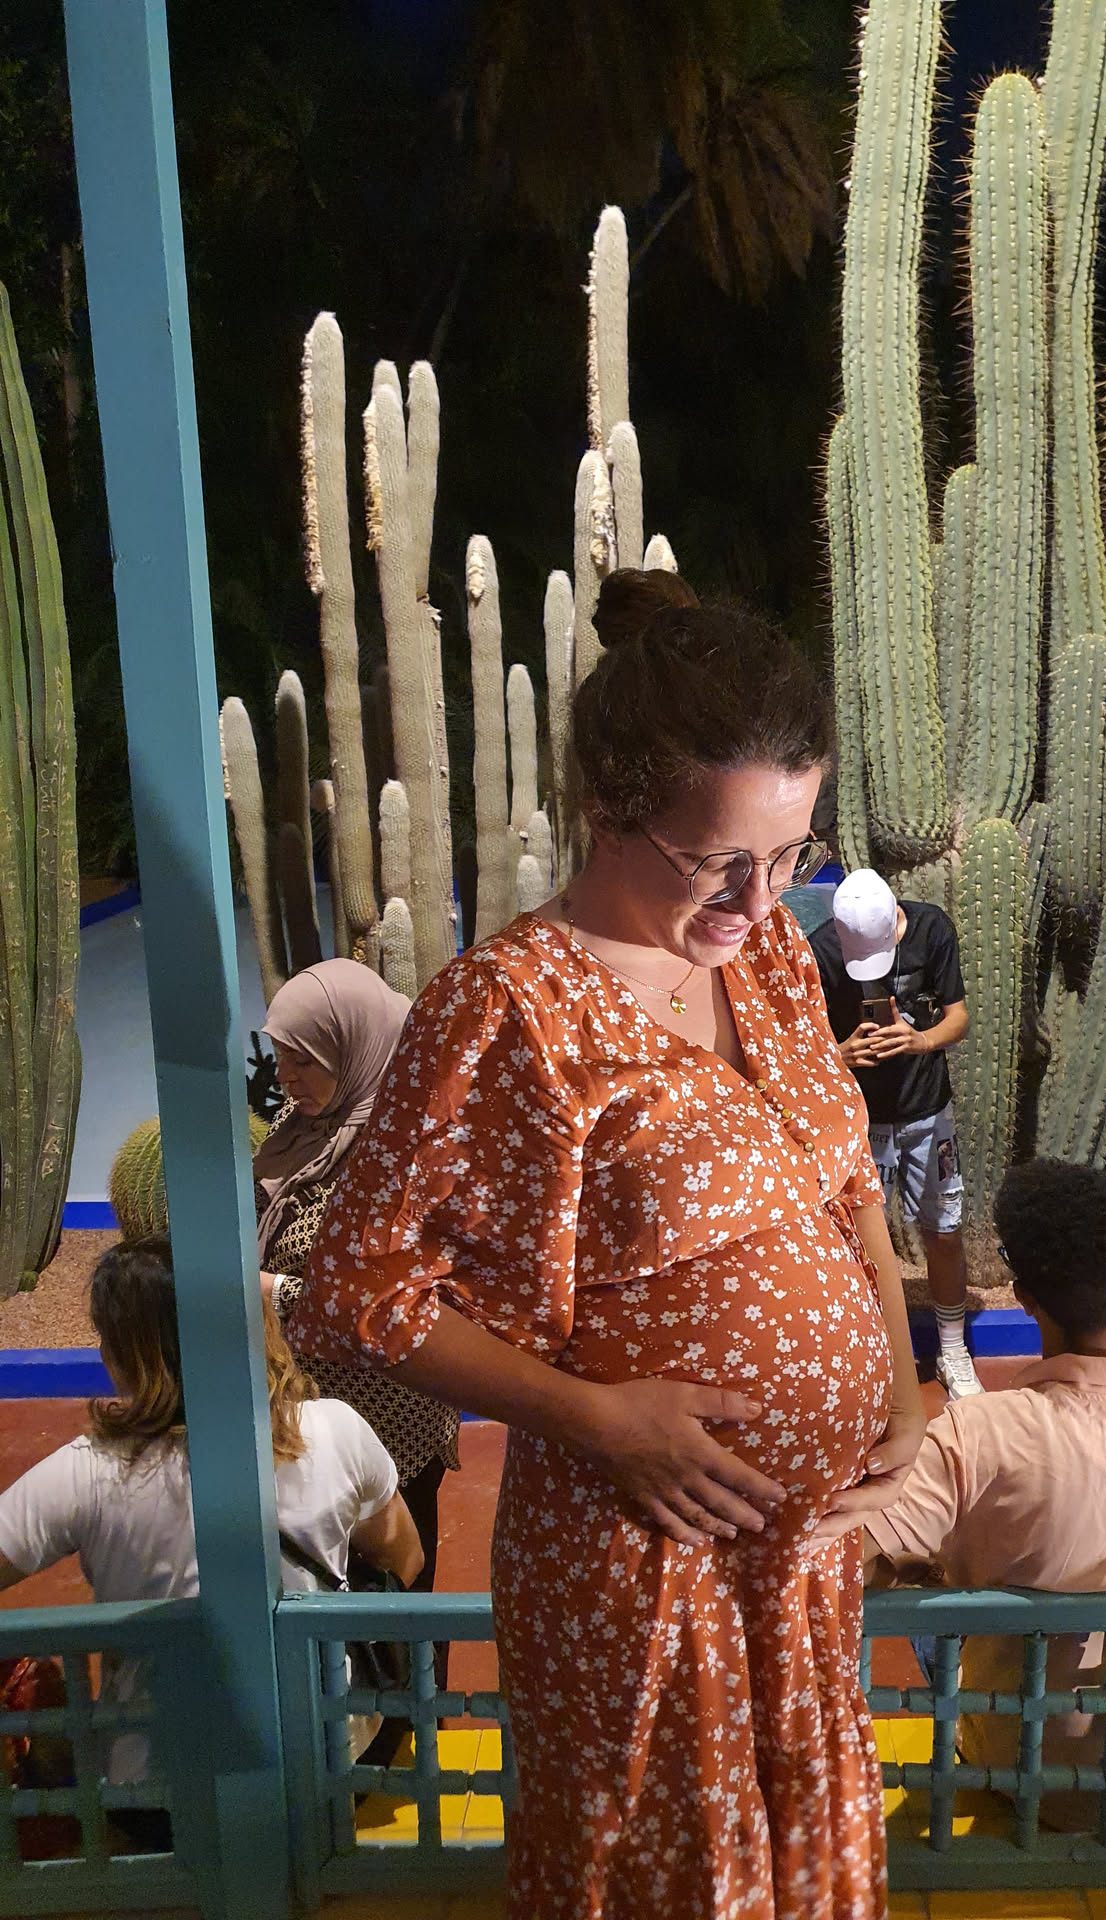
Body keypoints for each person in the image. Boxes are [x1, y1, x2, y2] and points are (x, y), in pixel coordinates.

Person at [288, 568, 926, 1918]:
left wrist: (901, 1379)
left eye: (791, 855)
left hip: (802, 1560)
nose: (760, 897)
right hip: (642, 1560)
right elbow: (354, 1292)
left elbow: (843, 1174)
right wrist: (599, 1418)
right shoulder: (507, 1009)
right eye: (718, 861)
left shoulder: (771, 956)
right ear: (608, 810)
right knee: (658, 1870)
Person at [864, 1159, 1106, 1835]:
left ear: (1024, 1296)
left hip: (1020, 1772)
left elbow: (855, 1565)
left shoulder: (974, 1433)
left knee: (934, 1591)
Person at [0, 1237, 421, 1849]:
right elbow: (405, 1557)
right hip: (328, 1775)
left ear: (123, 1352)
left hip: (159, 1800)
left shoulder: (89, 1471)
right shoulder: (335, 1429)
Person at [256, 959, 461, 1609]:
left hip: (391, 1419)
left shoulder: (402, 1154)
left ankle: (403, 1683)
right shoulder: (305, 1127)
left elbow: (392, 1302)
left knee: (392, 1596)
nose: (286, 1078)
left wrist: (273, 1294)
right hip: (307, 1409)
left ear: (355, 1050)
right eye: (281, 1058)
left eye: (304, 1061)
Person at [810, 868, 979, 1398]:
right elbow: (800, 1042)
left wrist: (919, 1041)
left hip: (928, 1112)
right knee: (859, 1243)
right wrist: (840, 1054)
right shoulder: (819, 949)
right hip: (858, 1120)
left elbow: (958, 1019)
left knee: (944, 1230)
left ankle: (952, 1349)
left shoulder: (931, 929)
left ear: (895, 920)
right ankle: (876, 1358)